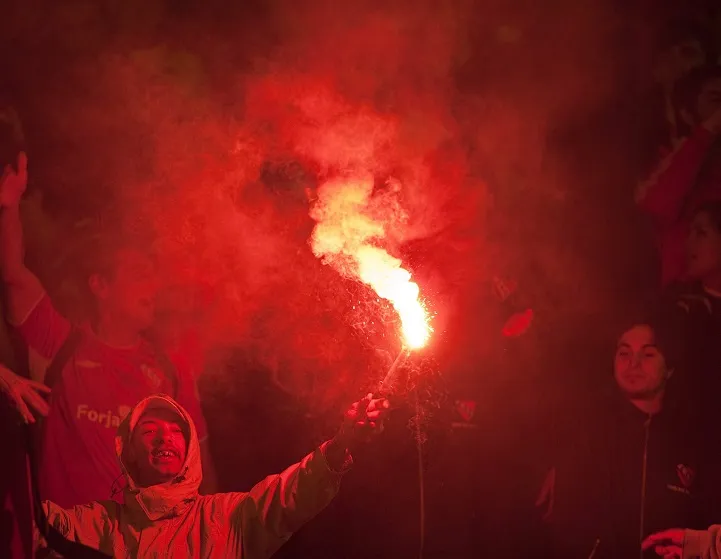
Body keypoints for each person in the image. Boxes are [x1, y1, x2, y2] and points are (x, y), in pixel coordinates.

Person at [0, 152, 216, 509]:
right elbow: (13, 274)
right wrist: (9, 208)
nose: (152, 287)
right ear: (100, 285)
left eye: (152, 276)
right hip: (65, 544)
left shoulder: (170, 367)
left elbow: (198, 460)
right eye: (138, 275)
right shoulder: (59, 343)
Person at [36, 392, 390, 558]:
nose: (164, 438)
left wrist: (342, 442)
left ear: (189, 449)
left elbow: (288, 496)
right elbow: (26, 523)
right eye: (149, 432)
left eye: (177, 432)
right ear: (127, 452)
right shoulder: (92, 526)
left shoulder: (225, 519)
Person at [535, 318, 713, 558]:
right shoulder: (586, 436)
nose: (633, 363)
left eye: (648, 355)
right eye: (624, 353)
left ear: (669, 367)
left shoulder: (696, 442)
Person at [636, 64, 721, 286]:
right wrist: (707, 132)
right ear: (687, 113)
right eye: (716, 99)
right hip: (685, 305)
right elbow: (655, 205)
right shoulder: (670, 161)